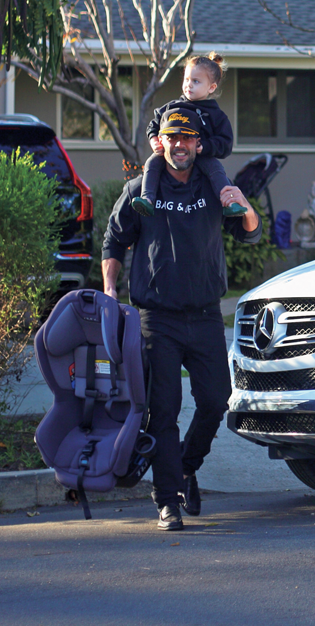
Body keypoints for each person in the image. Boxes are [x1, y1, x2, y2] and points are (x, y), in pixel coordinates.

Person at [102, 106, 261, 531]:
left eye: (187, 139)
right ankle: (167, 500)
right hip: (157, 317)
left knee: (215, 401)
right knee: (164, 409)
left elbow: (251, 229)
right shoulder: (141, 189)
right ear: (163, 142)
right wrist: (109, 291)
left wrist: (242, 204)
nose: (180, 145)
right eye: (173, 138)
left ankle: (188, 467)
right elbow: (113, 241)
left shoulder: (212, 186)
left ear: (198, 143)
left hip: (206, 315)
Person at [132, 52, 246, 217]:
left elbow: (226, 142)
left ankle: (230, 204)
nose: (189, 85)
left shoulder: (216, 115)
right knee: (152, 163)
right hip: (172, 155)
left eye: (196, 81)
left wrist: (206, 146)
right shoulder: (173, 107)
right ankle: (147, 200)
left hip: (202, 157)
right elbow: (153, 124)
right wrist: (153, 139)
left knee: (217, 171)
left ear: (211, 87)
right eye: (186, 80)